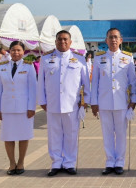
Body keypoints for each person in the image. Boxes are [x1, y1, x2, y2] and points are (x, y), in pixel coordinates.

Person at [37, 30, 91, 176]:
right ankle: (56, 163)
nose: (63, 42)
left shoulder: (79, 59)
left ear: (70, 42)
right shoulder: (46, 59)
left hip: (72, 105)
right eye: (60, 39)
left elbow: (86, 83)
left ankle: (69, 163)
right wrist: (42, 101)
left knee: (71, 135)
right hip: (52, 104)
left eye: (65, 39)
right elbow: (40, 83)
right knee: (54, 135)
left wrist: (85, 103)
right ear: (55, 42)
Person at [91, 28, 136, 175]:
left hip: (122, 102)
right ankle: (110, 161)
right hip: (104, 102)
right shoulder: (98, 58)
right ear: (106, 40)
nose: (113, 40)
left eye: (116, 37)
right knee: (107, 133)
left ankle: (120, 162)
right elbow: (95, 82)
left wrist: (133, 101)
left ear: (121, 40)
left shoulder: (128, 58)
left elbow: (132, 81)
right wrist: (93, 102)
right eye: (110, 37)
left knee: (121, 133)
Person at [0, 41, 37, 175]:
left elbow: (32, 89)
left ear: (23, 52)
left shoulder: (29, 66)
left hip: (24, 109)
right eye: (13, 50)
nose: (16, 52)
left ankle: (21, 162)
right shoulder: (2, 66)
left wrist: (31, 107)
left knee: (23, 136)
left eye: (18, 50)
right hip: (6, 108)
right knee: (8, 137)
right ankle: (12, 163)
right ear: (10, 51)